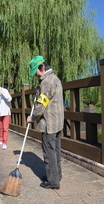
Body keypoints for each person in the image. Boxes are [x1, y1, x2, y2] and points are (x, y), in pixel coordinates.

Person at [27, 56, 64, 190]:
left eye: (36, 71)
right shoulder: (55, 78)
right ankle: (56, 175)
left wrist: (32, 117)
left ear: (42, 67)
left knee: (49, 153)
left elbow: (42, 105)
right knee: (55, 150)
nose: (35, 75)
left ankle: (53, 182)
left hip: (49, 122)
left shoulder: (46, 82)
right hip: (58, 121)